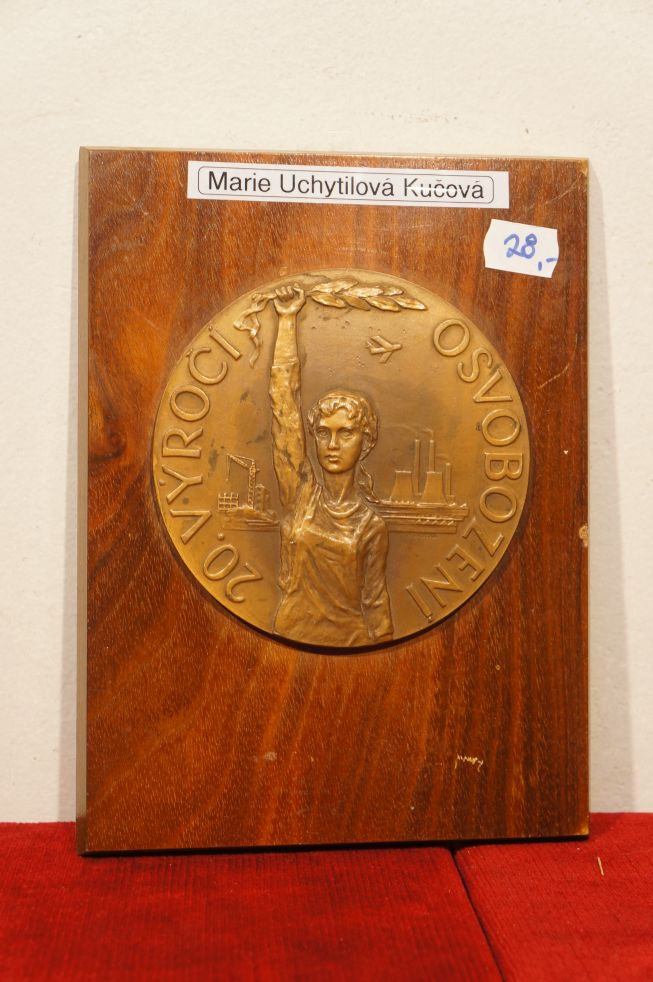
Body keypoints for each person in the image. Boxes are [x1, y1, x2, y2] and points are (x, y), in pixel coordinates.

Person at [268, 283, 393, 646]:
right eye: (323, 433)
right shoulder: (301, 497)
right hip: (288, 636)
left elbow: (376, 604)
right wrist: (287, 320)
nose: (333, 444)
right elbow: (284, 407)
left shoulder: (371, 527)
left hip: (353, 642)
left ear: (366, 442)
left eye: (346, 433)